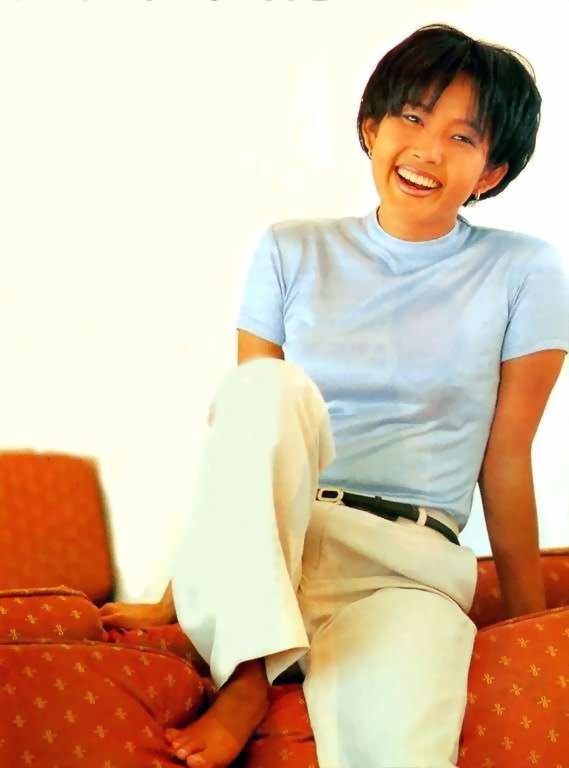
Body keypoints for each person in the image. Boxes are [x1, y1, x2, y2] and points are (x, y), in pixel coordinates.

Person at [98, 23, 569, 768]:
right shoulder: (288, 249)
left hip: (407, 568)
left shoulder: (525, 272)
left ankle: (263, 655)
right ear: (371, 128)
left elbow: (506, 456)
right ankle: (248, 676)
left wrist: (530, 624)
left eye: (461, 138)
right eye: (411, 118)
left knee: (403, 748)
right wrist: (179, 588)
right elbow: (250, 437)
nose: (427, 151)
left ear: (490, 171)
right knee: (264, 388)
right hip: (281, 539)